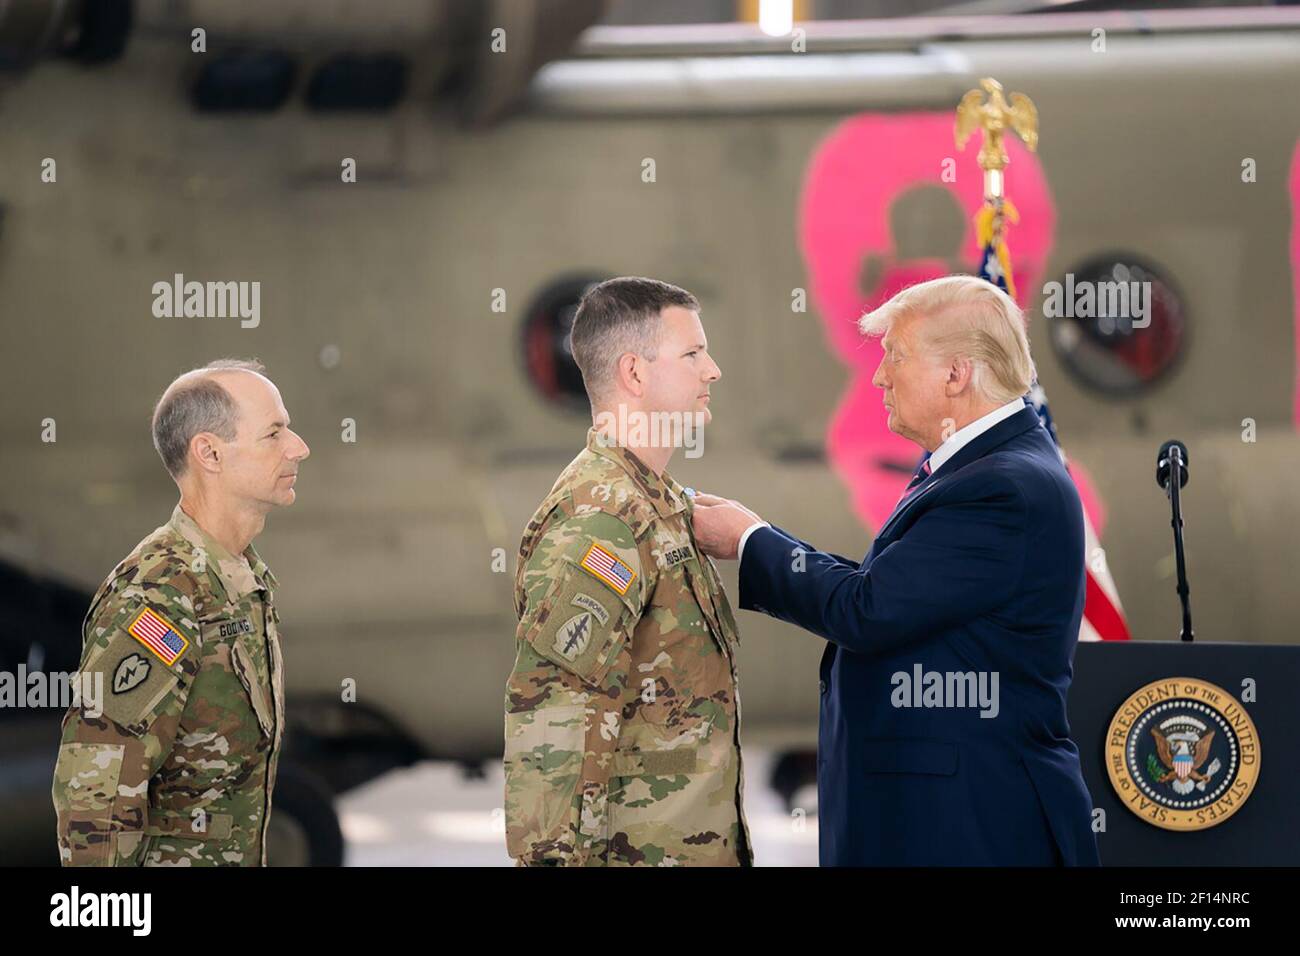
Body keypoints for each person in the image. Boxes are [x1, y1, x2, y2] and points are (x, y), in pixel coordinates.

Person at [692, 275, 1100, 866]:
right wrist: (764, 535)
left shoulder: (1000, 487)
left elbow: (869, 610)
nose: (880, 375)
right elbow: (890, 593)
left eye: (896, 356)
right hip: (949, 815)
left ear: (956, 374)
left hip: (970, 824)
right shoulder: (982, 469)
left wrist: (749, 542)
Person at [505, 276, 752, 866]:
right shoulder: (602, 518)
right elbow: (555, 729)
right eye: (692, 353)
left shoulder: (658, 504)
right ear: (635, 374)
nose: (712, 370)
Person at [52, 358, 310, 866]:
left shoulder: (239, 579)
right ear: (209, 453)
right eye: (274, 433)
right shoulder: (161, 592)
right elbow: (96, 791)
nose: (298, 447)